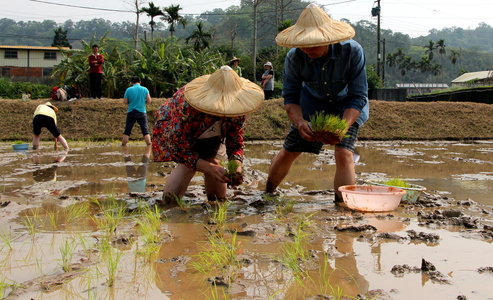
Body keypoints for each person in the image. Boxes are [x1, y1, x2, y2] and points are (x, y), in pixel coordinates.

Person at [265, 4, 369, 203]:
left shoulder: (352, 52)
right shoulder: (295, 57)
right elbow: (291, 97)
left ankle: (342, 205)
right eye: (304, 43)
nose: (307, 48)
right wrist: (300, 122)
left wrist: (342, 127)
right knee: (290, 150)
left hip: (346, 105)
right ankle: (267, 193)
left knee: (344, 153)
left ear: (329, 39)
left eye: (314, 43)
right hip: (311, 104)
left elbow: (358, 95)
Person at [152, 65, 264, 205]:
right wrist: (210, 168)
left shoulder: (238, 108)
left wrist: (236, 166)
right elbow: (180, 152)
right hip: (180, 132)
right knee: (187, 168)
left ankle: (215, 205)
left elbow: (235, 141)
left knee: (217, 168)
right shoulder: (187, 107)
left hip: (212, 135)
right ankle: (168, 206)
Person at [122, 76, 152, 146]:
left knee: (127, 130)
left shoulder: (128, 90)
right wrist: (143, 101)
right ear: (140, 82)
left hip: (131, 112)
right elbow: (149, 101)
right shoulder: (145, 89)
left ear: (132, 82)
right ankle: (148, 143)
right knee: (145, 130)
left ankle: (123, 144)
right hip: (142, 112)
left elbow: (125, 102)